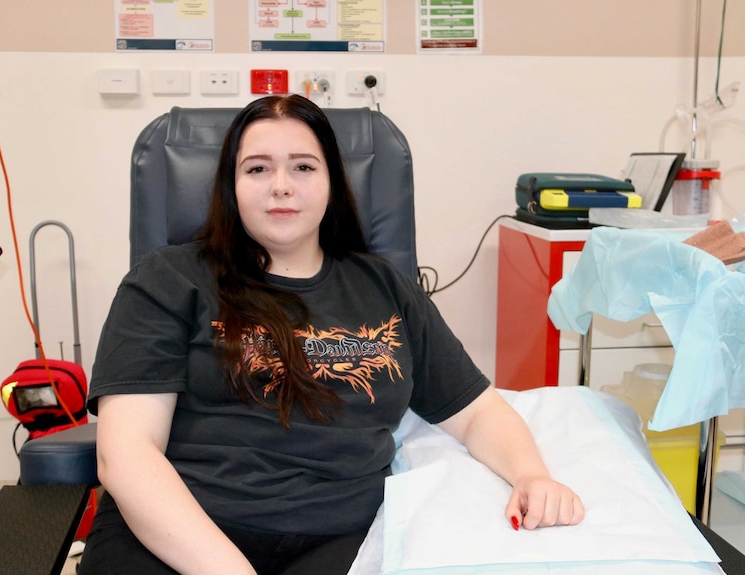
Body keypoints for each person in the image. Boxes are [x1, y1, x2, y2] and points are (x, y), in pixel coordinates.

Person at [78, 94, 585, 575]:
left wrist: (530, 473)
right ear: (230, 185)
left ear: (332, 182)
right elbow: (127, 454)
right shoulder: (168, 279)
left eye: (303, 166)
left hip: (339, 538)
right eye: (257, 168)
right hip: (178, 530)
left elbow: (475, 411)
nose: (281, 185)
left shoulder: (386, 287)